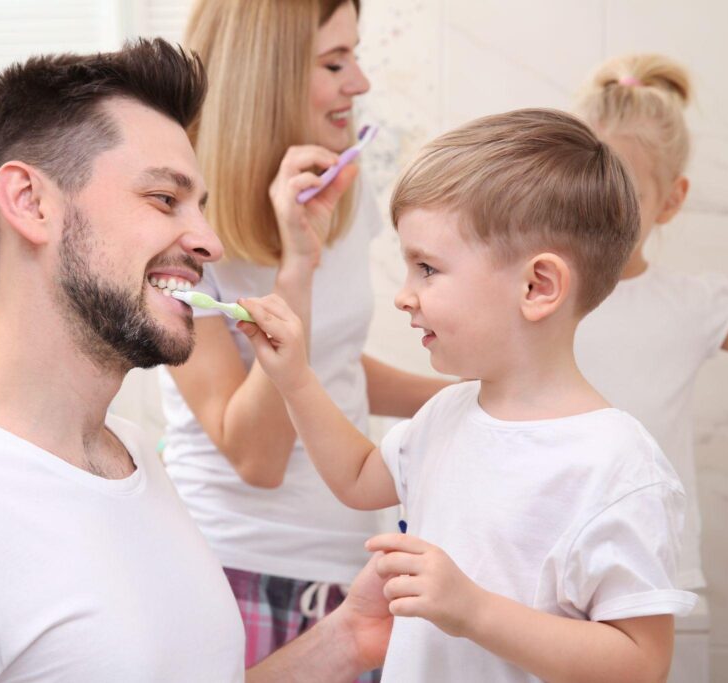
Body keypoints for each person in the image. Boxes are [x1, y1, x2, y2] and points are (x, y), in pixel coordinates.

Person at [0, 40, 393, 681]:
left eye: (200, 208)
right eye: (165, 199)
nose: (208, 242)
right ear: (29, 201)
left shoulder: (133, 463)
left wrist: (347, 638)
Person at [234, 108, 699, 682]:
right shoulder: (448, 414)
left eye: (426, 268)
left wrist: (474, 610)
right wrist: (295, 379)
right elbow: (357, 477)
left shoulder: (616, 465)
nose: (404, 296)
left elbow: (642, 662)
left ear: (537, 286)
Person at [159, 0, 448, 668]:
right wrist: (296, 266)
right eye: (334, 62)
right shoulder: (183, 235)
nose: (361, 82)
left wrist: (478, 395)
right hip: (242, 571)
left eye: (356, 54)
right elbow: (256, 455)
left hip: (350, 567)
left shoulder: (342, 189)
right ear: (268, 74)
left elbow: (333, 361)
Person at [572, 53, 728, 683]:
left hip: (658, 575)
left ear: (671, 200)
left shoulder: (692, 305)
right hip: (552, 565)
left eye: (625, 187)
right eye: (586, 180)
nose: (600, 205)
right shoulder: (541, 292)